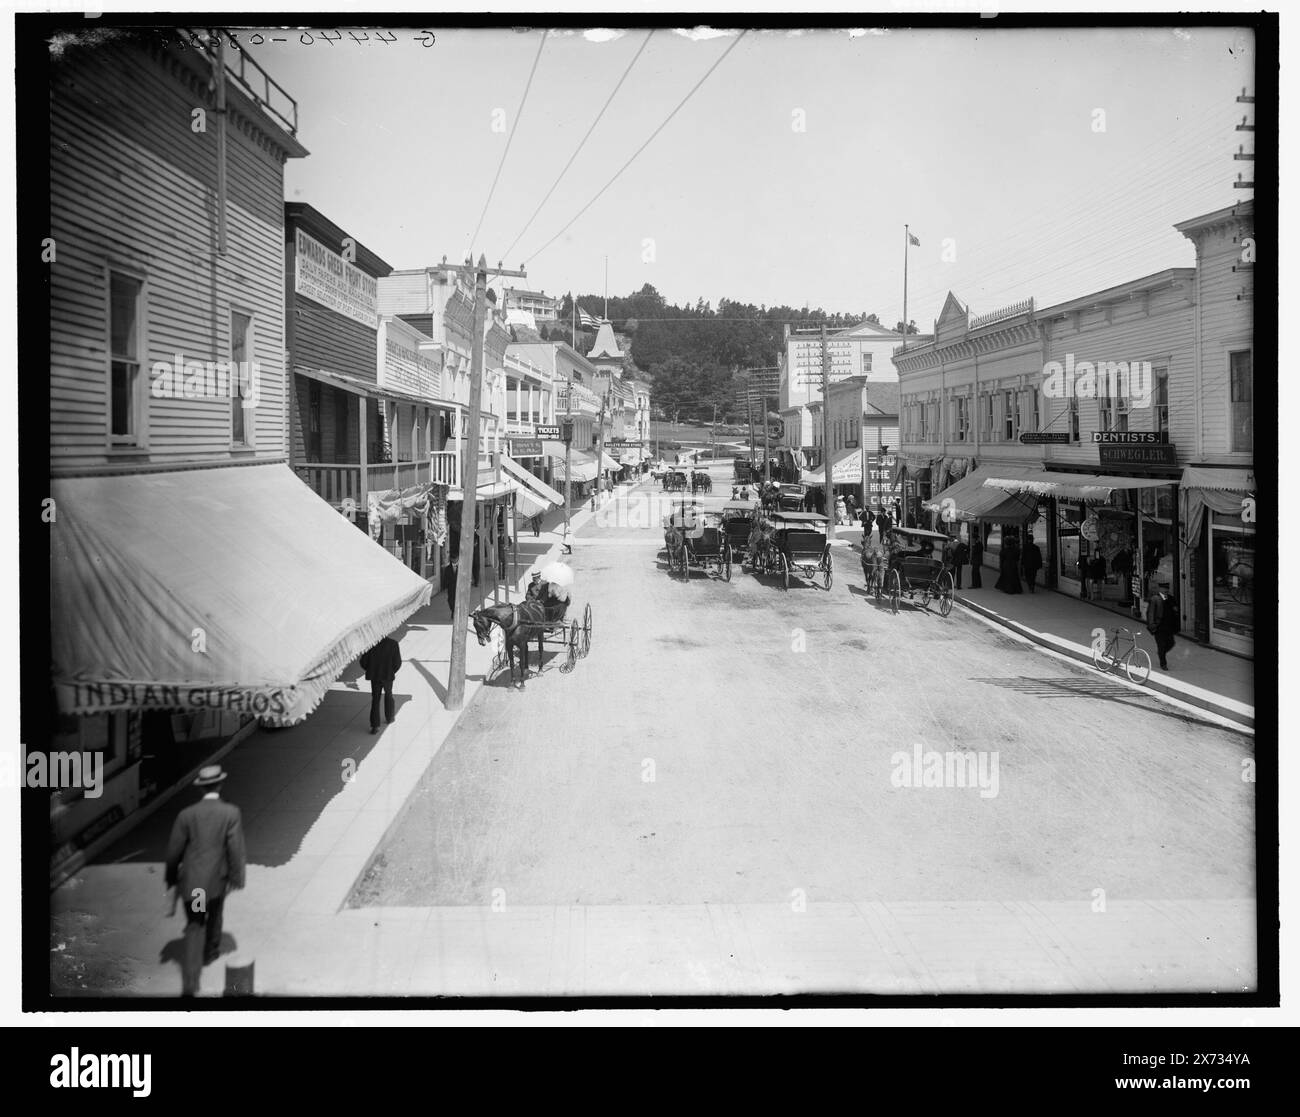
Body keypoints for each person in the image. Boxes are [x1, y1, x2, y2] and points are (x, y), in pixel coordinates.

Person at [165, 765, 246, 997]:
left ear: (201, 789)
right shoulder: (231, 813)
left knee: (195, 922)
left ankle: (193, 968)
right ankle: (209, 953)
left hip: (194, 882)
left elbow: (174, 850)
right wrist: (236, 877)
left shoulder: (186, 815)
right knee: (215, 915)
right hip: (215, 881)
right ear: (219, 785)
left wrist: (171, 878)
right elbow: (235, 849)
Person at [359, 634, 402, 734]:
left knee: (375, 700)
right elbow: (397, 663)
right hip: (387, 676)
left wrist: (371, 669)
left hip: (375, 676)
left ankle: (375, 726)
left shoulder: (370, 645)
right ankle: (389, 717)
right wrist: (391, 671)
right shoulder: (393, 644)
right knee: (388, 695)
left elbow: (363, 662)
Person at [1147, 587, 1179, 670]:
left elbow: (1175, 610)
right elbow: (1150, 613)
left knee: (1171, 643)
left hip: (1169, 627)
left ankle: (1161, 653)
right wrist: (1152, 626)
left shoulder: (1171, 598)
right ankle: (1163, 664)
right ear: (1160, 590)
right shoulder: (1155, 599)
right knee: (1161, 645)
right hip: (1159, 627)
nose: (1166, 590)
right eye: (1164, 589)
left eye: (1167, 588)